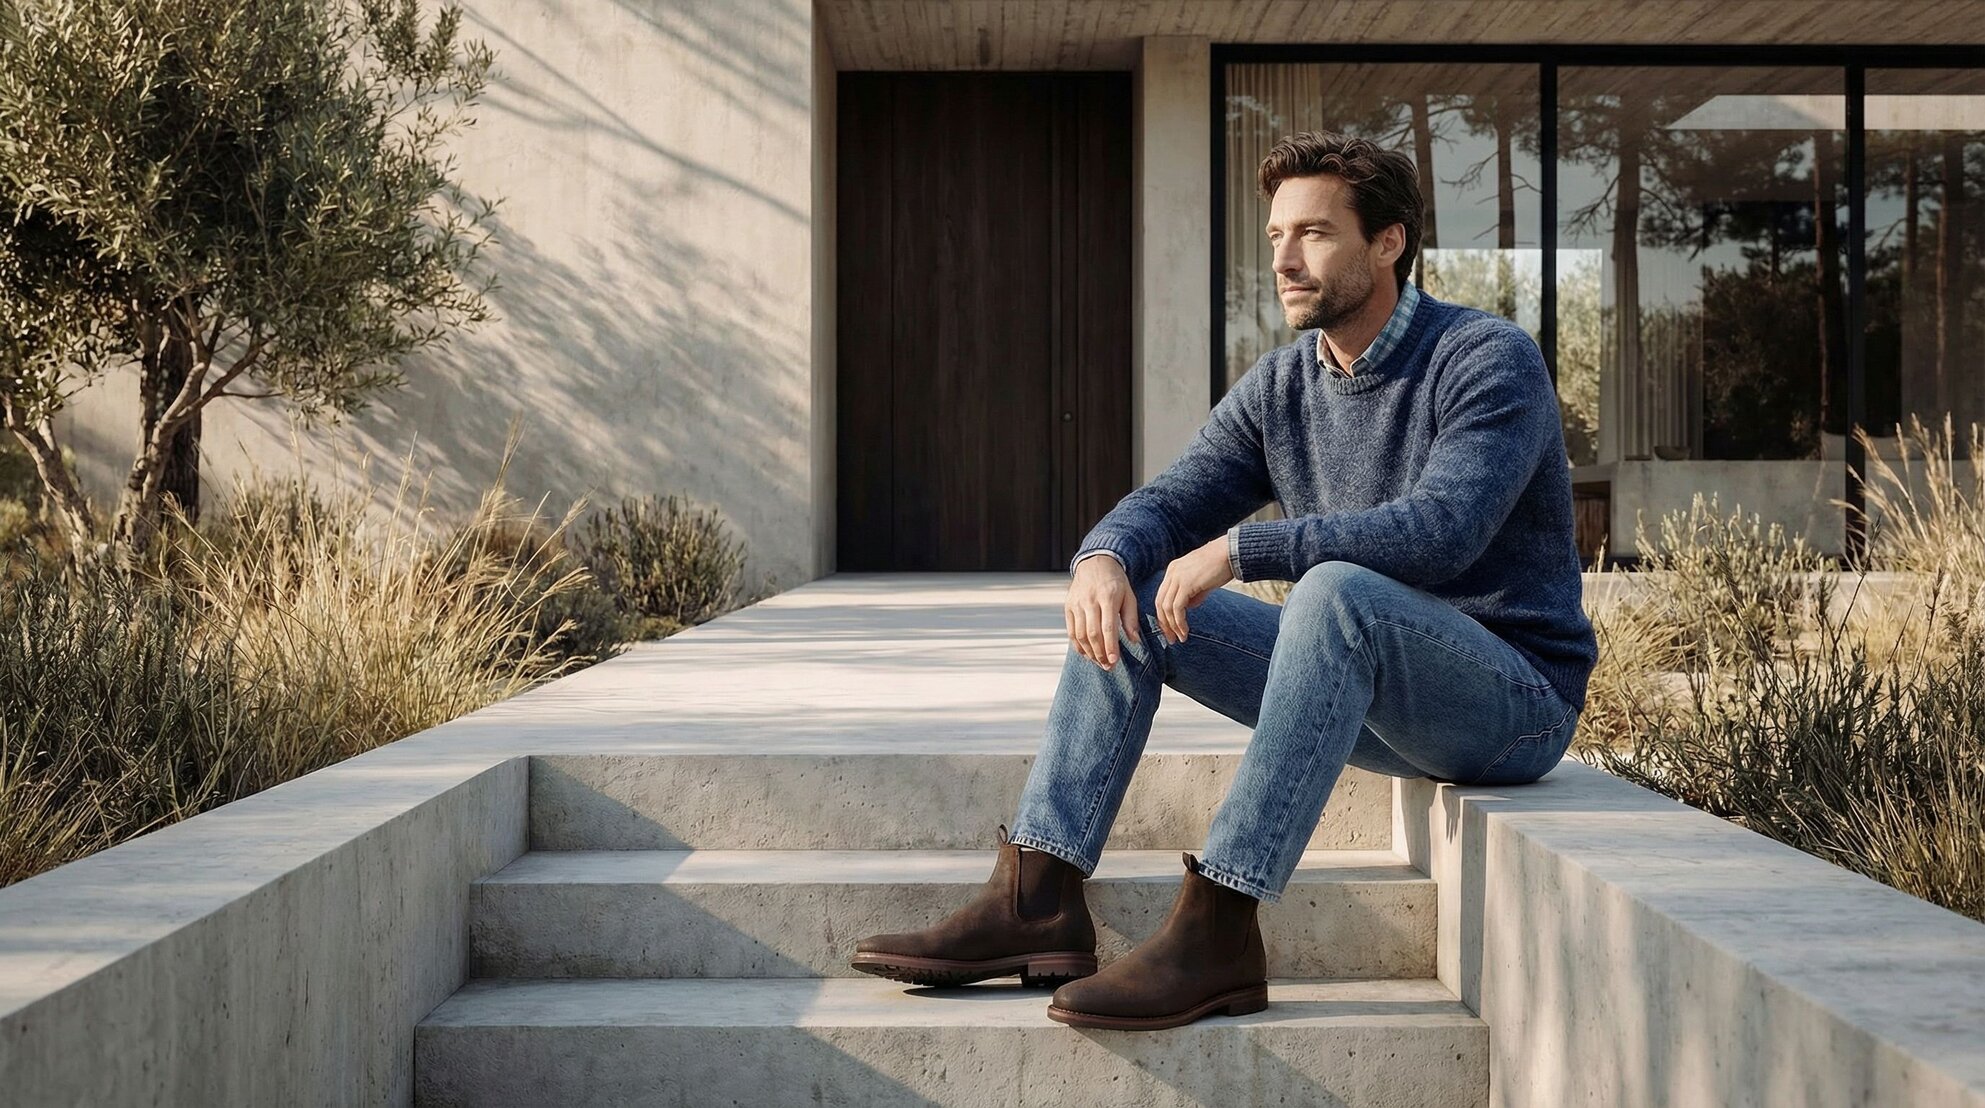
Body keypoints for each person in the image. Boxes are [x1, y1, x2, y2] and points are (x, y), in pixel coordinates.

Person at [850, 130, 1598, 1032]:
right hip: (1375, 696)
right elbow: (1167, 501)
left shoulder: (1483, 358)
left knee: (1332, 591)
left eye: (1314, 234)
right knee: (1138, 581)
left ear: (1389, 242)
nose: (1283, 259)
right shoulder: (1284, 385)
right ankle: (1037, 899)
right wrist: (1101, 559)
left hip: (1510, 705)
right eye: (1276, 235)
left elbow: (1442, 533)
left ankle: (1219, 931)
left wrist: (1246, 550)